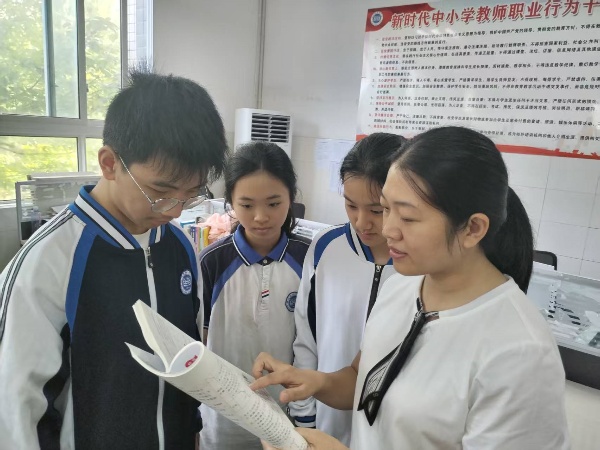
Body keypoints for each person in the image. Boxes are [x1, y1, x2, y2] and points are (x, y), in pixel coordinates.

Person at [252, 126, 570, 449]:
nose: (387, 229)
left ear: (472, 228)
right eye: (387, 209)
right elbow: (365, 381)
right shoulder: (401, 288)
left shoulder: (520, 354)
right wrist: (316, 382)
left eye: (406, 217)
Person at [0, 70, 228, 450]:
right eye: (161, 192)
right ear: (109, 163)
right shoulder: (48, 262)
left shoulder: (180, 247)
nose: (175, 211)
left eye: (191, 193)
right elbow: (16, 414)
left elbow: (188, 363)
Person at [290, 132, 406, 445]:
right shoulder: (326, 247)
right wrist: (304, 416)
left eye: (377, 210)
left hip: (390, 435)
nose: (361, 222)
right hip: (326, 421)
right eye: (351, 205)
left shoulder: (418, 264)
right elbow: (307, 337)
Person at [199, 142, 310, 450]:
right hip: (223, 422)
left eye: (273, 204)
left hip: (288, 417)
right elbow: (199, 340)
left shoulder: (309, 259)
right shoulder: (212, 262)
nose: (261, 217)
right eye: (247, 206)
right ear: (230, 202)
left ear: (291, 198)